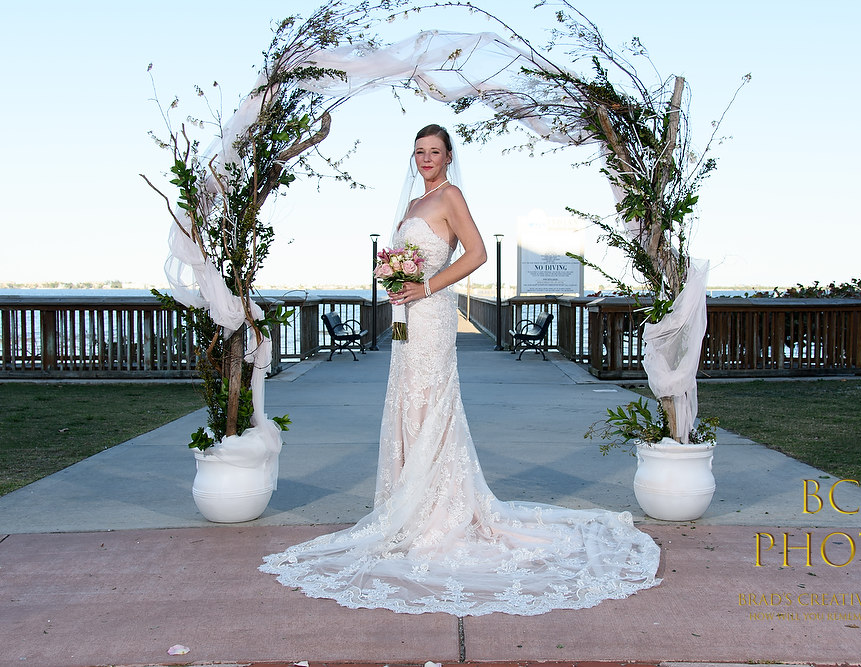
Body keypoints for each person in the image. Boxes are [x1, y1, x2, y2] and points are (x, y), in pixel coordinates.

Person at [261, 124, 661, 616]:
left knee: (431, 400)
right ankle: (408, 503)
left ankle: (436, 511)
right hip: (406, 316)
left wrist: (426, 286)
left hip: (431, 313)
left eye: (435, 151)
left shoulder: (450, 196)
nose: (426, 158)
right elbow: (406, 261)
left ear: (449, 156)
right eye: (419, 152)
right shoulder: (413, 203)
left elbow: (478, 253)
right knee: (407, 399)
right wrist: (397, 281)